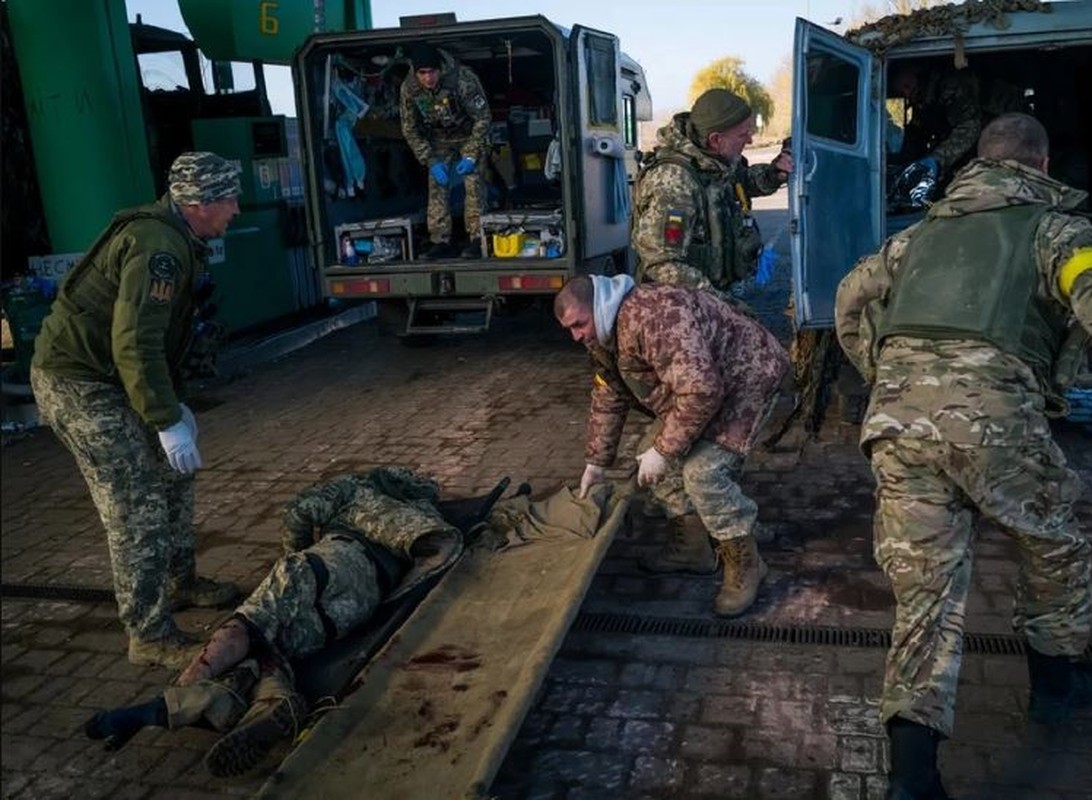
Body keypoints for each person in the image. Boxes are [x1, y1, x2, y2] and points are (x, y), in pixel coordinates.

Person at [834, 113, 1092, 799]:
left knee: (923, 595)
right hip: (992, 421)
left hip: (897, 426)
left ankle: (912, 777)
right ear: (1042, 166)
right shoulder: (1060, 233)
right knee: (1052, 544)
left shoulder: (916, 238)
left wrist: (884, 372)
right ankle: (1057, 686)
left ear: (979, 164)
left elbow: (850, 296)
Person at [84, 466, 466, 777]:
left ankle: (166, 702)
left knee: (251, 620)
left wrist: (294, 552)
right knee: (272, 645)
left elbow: (298, 511)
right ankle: (271, 701)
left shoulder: (358, 489)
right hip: (360, 601)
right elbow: (436, 551)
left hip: (333, 565)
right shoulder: (421, 513)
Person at [30, 152, 245, 669]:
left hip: (114, 375)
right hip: (79, 383)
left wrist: (174, 406)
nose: (236, 209)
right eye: (229, 200)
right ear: (199, 204)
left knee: (176, 477)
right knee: (136, 504)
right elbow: (136, 343)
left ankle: (181, 580)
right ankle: (148, 633)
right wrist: (166, 419)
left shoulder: (179, 238)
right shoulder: (158, 249)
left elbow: (162, 341)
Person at [556, 273, 788, 617]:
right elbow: (609, 393)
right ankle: (694, 549)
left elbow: (702, 391)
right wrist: (597, 461)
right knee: (652, 464)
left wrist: (665, 451)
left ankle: (746, 561)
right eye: (570, 330)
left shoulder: (655, 316)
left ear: (598, 306)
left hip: (746, 379)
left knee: (702, 472)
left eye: (579, 324)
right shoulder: (604, 332)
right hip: (703, 389)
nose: (577, 336)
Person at [632, 88, 792, 291]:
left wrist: (774, 173)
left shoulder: (711, 161)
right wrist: (719, 305)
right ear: (716, 140)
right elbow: (662, 267)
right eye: (743, 134)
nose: (750, 140)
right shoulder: (674, 184)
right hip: (683, 308)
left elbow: (741, 181)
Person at [400, 42, 492, 260]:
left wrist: (470, 154)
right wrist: (430, 160)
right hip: (439, 139)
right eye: (422, 73)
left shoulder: (462, 80)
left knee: (473, 183)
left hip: (470, 134)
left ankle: (477, 239)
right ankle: (440, 241)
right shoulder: (409, 88)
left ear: (439, 69)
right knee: (437, 185)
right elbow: (409, 128)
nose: (428, 78)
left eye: (431, 72)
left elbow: (483, 117)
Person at [890, 64, 1024, 207]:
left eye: (907, 86)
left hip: (1004, 139)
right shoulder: (924, 98)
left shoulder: (951, 85)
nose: (907, 93)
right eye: (902, 91)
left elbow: (970, 127)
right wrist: (902, 163)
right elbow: (919, 132)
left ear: (918, 75)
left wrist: (937, 160)